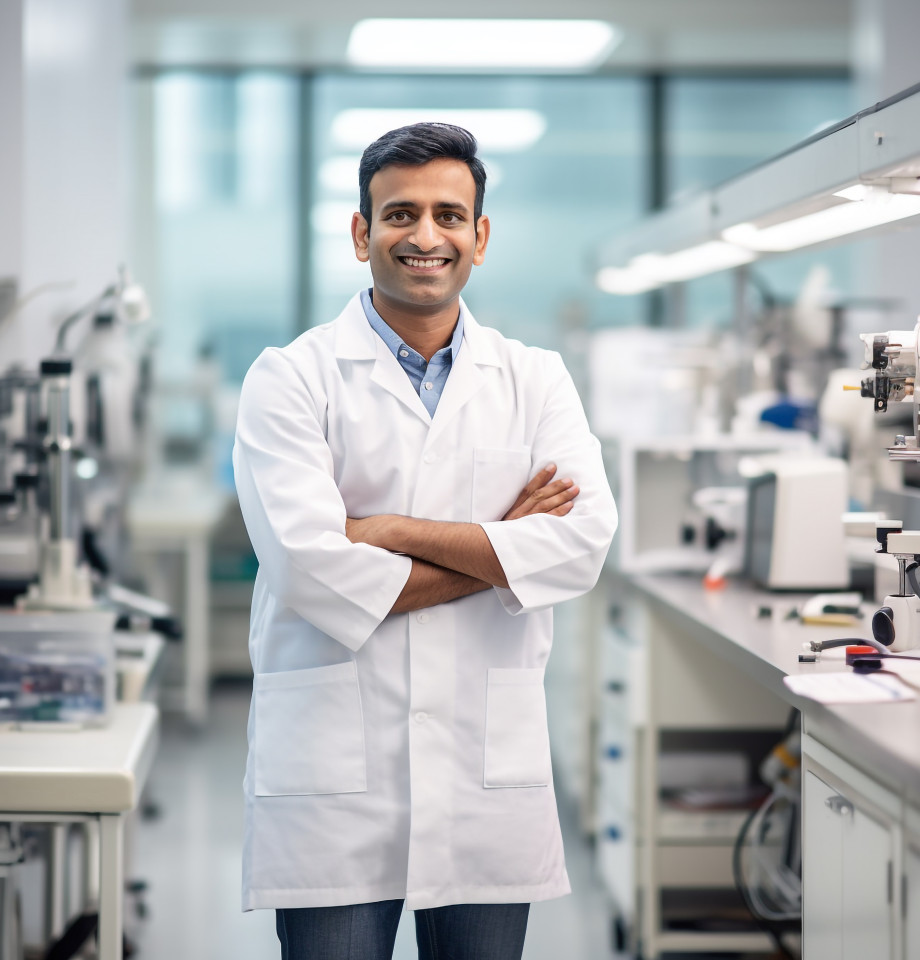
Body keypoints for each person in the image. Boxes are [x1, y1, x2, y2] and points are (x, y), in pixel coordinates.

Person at [233, 122, 618, 960]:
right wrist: (508, 546)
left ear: (479, 238)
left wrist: (394, 532)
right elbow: (310, 569)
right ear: (363, 233)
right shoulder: (290, 378)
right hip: (335, 778)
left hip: (483, 773)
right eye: (400, 214)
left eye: (450, 214)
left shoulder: (534, 377)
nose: (425, 235)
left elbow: (583, 544)